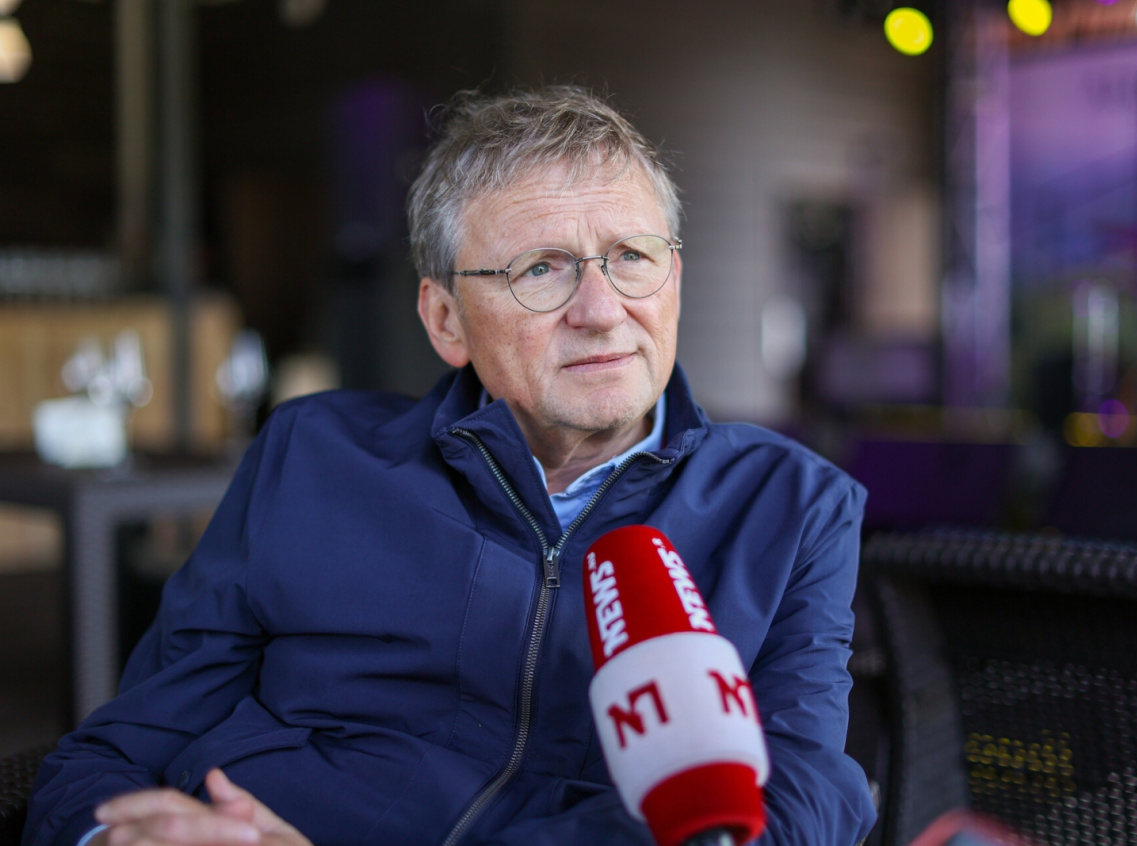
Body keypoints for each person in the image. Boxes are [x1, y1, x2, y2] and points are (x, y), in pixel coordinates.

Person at [23, 85, 876, 846]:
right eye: (541, 268)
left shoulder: (792, 505)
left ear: (674, 278)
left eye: (632, 257)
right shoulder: (310, 454)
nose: (601, 308)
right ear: (446, 321)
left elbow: (797, 809)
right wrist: (115, 835)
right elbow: (118, 751)